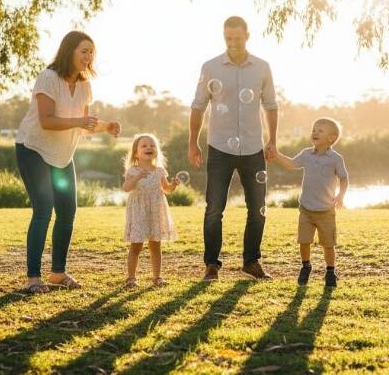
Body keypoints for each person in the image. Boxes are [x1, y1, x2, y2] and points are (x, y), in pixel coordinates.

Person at [15, 30, 121, 293]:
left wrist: (106, 126)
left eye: (91, 52)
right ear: (69, 51)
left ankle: (58, 273)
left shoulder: (85, 85)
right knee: (43, 209)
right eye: (83, 51)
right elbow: (47, 121)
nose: (88, 56)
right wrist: (80, 122)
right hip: (34, 149)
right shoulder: (48, 78)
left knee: (68, 212)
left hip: (62, 155)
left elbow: (83, 126)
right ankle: (33, 278)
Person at [189, 16, 278, 281]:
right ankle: (211, 265)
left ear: (247, 36)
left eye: (237, 38)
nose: (233, 42)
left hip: (253, 148)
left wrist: (272, 140)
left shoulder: (262, 67)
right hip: (219, 147)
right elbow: (198, 106)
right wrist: (192, 142)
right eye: (228, 38)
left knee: (258, 209)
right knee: (214, 208)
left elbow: (271, 106)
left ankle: (251, 262)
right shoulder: (210, 67)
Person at [273, 118, 349, 287]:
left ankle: (330, 271)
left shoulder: (335, 158)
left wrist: (341, 196)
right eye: (314, 129)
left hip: (326, 211)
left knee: (328, 244)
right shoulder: (306, 154)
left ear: (331, 138)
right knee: (304, 241)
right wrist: (276, 155)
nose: (315, 132)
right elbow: (292, 164)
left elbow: (344, 178)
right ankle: (306, 266)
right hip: (306, 209)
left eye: (320, 130)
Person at [122, 133, 180, 288]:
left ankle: (157, 277)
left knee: (155, 244)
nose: (149, 148)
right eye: (144, 146)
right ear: (136, 153)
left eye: (152, 145)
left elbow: (166, 189)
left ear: (157, 150)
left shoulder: (160, 171)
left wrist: (173, 185)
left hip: (155, 210)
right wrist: (137, 177)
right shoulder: (133, 170)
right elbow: (126, 188)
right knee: (136, 245)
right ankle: (131, 278)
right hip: (139, 211)